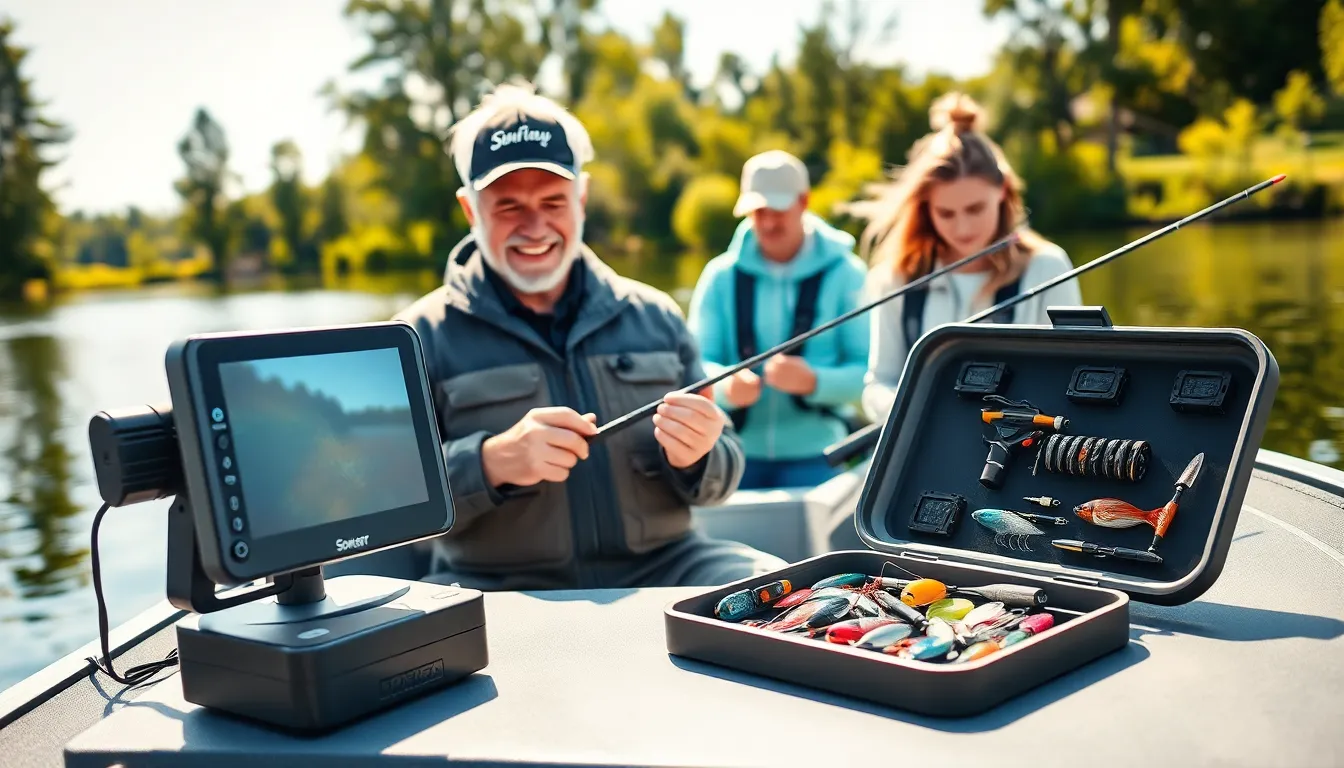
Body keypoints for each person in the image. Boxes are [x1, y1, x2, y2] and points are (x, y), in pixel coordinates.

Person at [391, 81, 788, 591]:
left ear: (581, 197)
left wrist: (700, 455)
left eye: (553, 201)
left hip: (667, 570)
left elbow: (723, 470)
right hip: (496, 588)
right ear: (470, 210)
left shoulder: (656, 315)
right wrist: (494, 461)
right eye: (509, 206)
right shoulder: (414, 337)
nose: (535, 227)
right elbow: (391, 505)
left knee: (780, 589)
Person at [848, 92, 1083, 424]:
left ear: (1002, 192)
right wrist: (918, 416)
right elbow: (879, 384)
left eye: (975, 209)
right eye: (946, 212)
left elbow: (1072, 377)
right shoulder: (895, 278)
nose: (962, 227)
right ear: (926, 208)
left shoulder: (1048, 267)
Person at [686, 150, 870, 490]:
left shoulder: (848, 274)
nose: (768, 223)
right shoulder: (719, 276)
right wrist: (725, 387)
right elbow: (694, 365)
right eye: (759, 211)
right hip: (733, 453)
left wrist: (814, 382)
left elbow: (870, 375)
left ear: (803, 201)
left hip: (820, 455)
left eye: (778, 210)